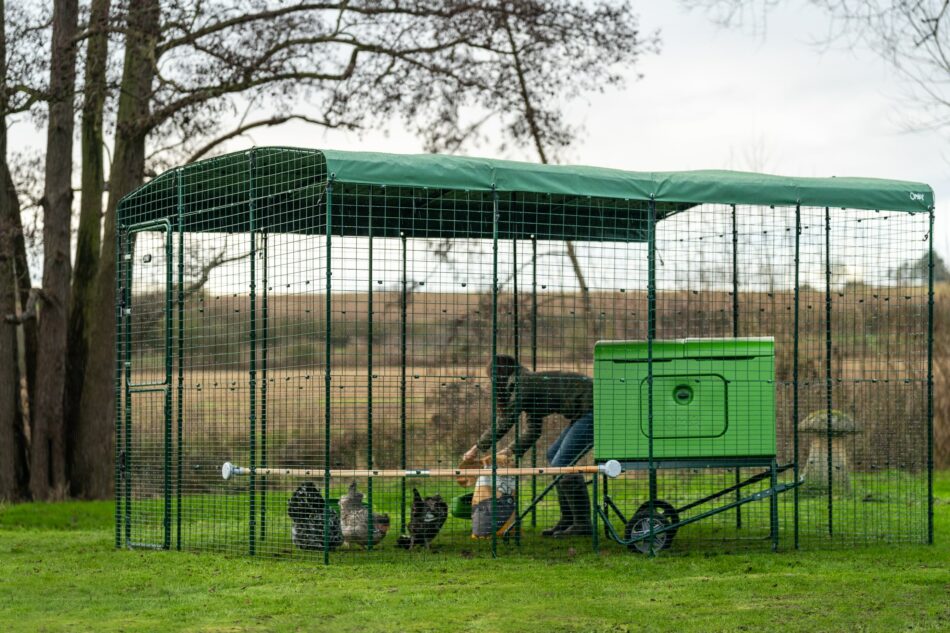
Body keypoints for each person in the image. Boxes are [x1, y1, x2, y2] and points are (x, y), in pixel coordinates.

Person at [462, 355, 594, 537]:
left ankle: (582, 523)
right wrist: (508, 451)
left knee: (562, 463)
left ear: (497, 376)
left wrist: (476, 448)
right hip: (584, 413)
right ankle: (569, 519)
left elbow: (506, 421)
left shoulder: (523, 383)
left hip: (594, 410)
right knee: (553, 455)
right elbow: (533, 430)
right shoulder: (526, 384)